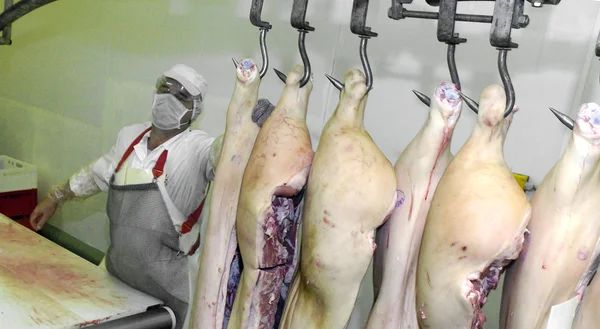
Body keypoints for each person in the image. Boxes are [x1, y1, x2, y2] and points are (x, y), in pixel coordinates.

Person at [29, 64, 274, 329]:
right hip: (117, 275)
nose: (169, 97)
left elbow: (223, 152)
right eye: (164, 88)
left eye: (181, 96)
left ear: (195, 110)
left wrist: (247, 129)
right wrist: (56, 197)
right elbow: (95, 175)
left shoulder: (196, 149)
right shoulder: (129, 136)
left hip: (170, 291)